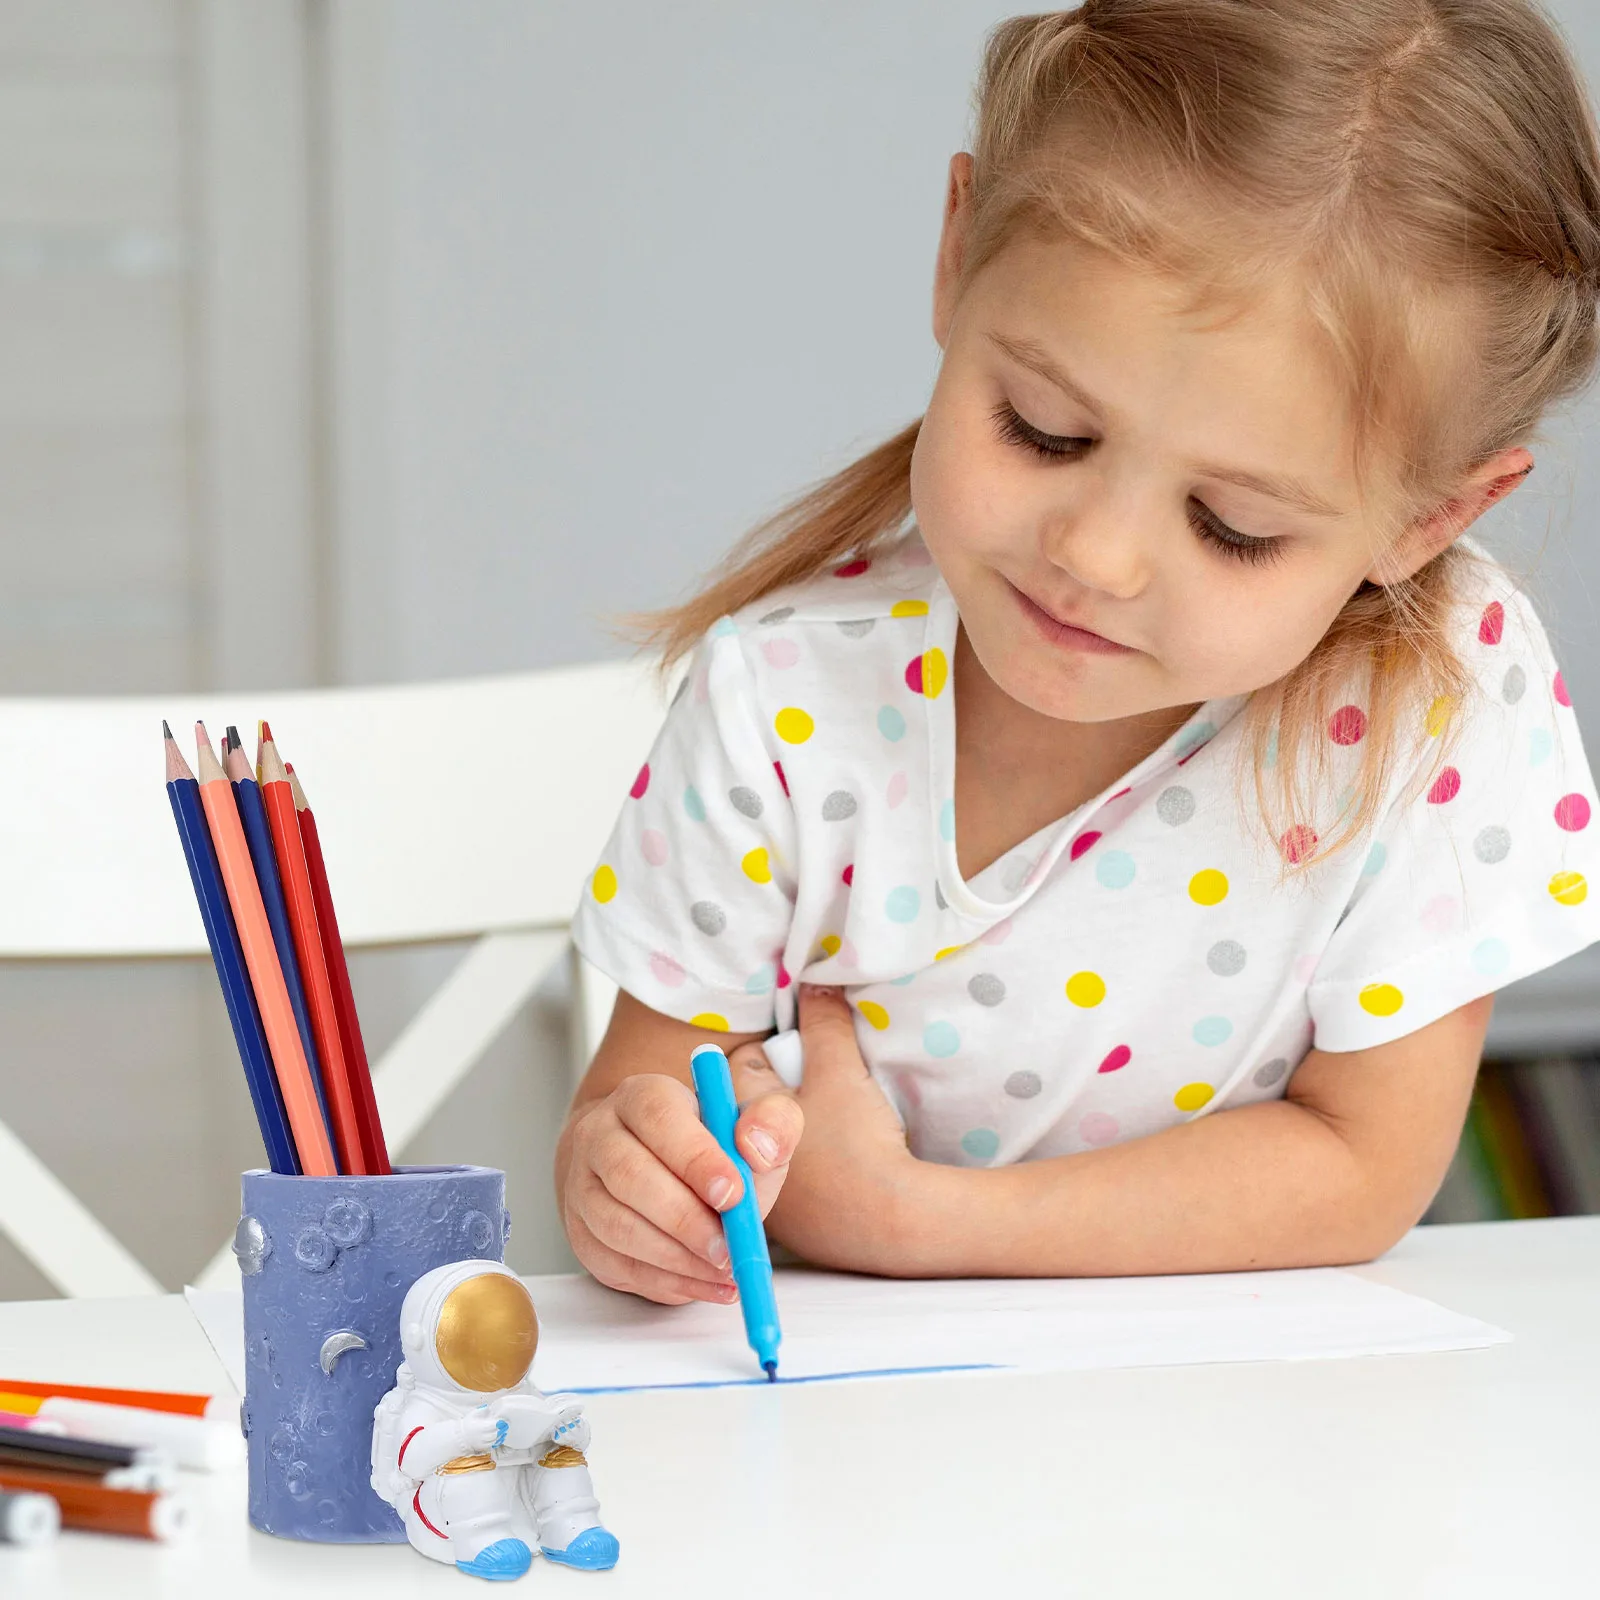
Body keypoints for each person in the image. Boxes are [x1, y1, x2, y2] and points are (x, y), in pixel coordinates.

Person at [557, 0, 1600, 1304]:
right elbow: (647, 1096)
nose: (1096, 558)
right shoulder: (780, 704)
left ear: (1430, 518)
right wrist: (634, 1186)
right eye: (1044, 429)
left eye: (1231, 525)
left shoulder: (1435, 697)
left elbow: (1362, 1161)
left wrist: (914, 1221)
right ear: (958, 250)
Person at [371, 1261, 619, 1578]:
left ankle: (571, 1526)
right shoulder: (427, 1404)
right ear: (421, 1338)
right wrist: (463, 1436)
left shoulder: (524, 1391)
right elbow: (411, 1461)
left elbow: (548, 1427)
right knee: (467, 1466)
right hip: (449, 1518)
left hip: (519, 1502)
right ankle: (481, 1541)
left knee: (562, 1459)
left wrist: (569, 1433)